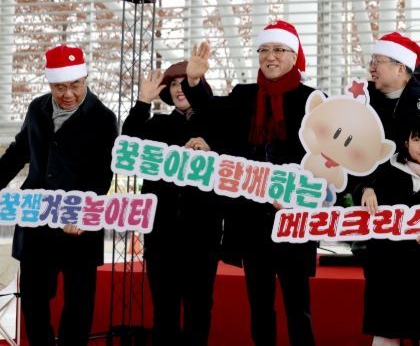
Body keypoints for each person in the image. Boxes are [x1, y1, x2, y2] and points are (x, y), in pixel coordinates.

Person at [182, 20, 317, 346]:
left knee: (298, 308)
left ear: (294, 56)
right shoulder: (244, 95)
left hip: (294, 217)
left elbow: (325, 157)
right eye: (264, 50)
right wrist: (195, 80)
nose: (270, 57)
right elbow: (210, 110)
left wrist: (296, 194)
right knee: (260, 307)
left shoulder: (313, 100)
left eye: (279, 50)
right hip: (252, 220)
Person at [0, 45, 118, 345]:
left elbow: (102, 174)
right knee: (33, 300)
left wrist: (83, 212)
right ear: (50, 83)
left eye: (75, 85)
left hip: (77, 225)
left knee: (79, 304)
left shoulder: (104, 118)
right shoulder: (37, 108)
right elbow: (18, 153)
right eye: (59, 87)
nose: (68, 94)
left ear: (85, 79)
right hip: (37, 220)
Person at [121, 61, 221, 345]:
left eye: (185, 83)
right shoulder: (158, 124)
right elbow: (127, 146)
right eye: (174, 84)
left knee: (198, 310)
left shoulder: (215, 124)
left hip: (203, 235)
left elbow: (236, 164)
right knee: (164, 311)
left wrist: (212, 151)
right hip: (161, 236)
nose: (179, 90)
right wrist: (142, 102)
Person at [359, 114, 420, 346]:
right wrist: (366, 189)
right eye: (417, 140)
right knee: (386, 336)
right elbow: (358, 181)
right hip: (388, 274)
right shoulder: (386, 171)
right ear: (406, 143)